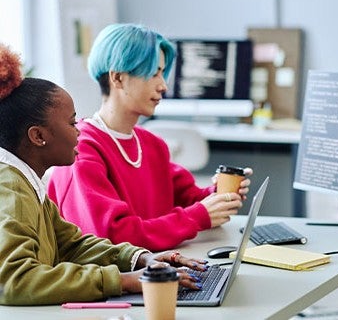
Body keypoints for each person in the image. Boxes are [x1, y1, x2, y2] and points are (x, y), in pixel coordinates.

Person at [0, 43, 207, 305]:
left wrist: (140, 259)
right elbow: (13, 280)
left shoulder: (26, 182)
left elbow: (72, 244)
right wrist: (125, 281)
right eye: (72, 122)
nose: (78, 130)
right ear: (38, 136)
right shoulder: (10, 190)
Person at [47, 23, 253, 251]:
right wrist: (198, 216)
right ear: (118, 78)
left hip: (156, 268)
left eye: (162, 74)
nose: (163, 86)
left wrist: (219, 195)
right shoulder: (82, 149)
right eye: (153, 74)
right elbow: (114, 237)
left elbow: (189, 199)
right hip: (115, 279)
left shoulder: (151, 144)